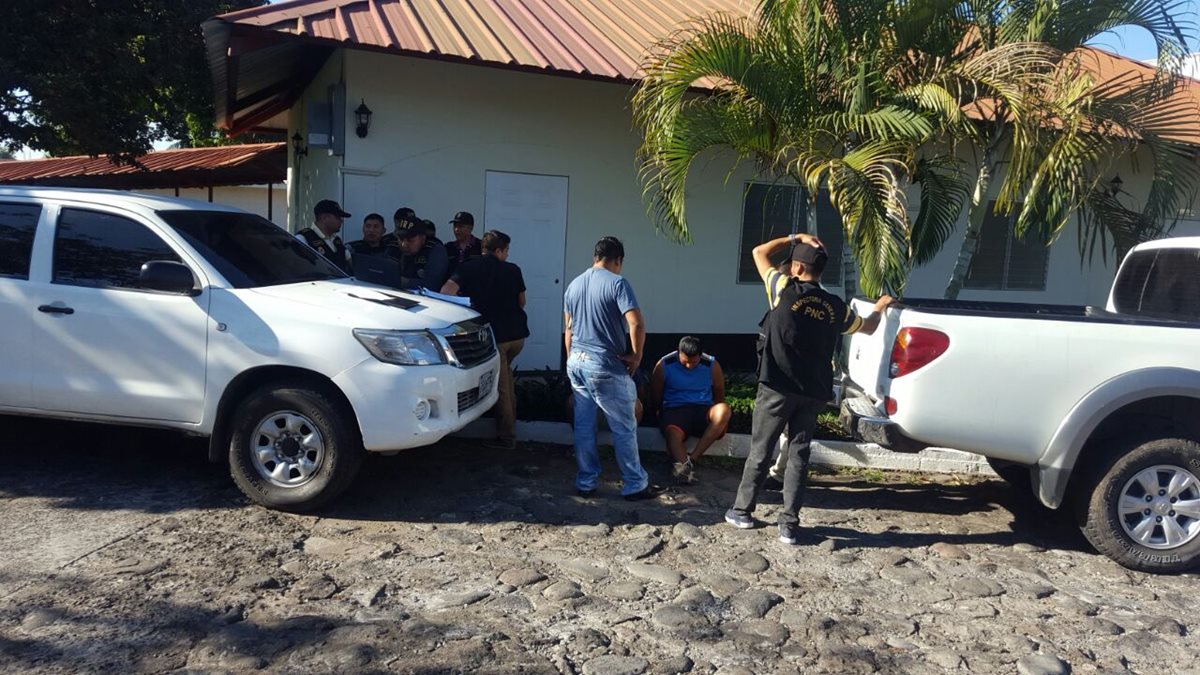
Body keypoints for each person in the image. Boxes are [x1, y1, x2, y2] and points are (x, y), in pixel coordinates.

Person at [725, 234, 894, 545]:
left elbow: (758, 249)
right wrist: (881, 305)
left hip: (777, 385)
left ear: (798, 268)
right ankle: (789, 524)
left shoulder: (782, 289)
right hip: (813, 390)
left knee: (762, 450)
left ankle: (742, 511)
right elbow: (867, 327)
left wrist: (795, 237)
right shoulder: (835, 307)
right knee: (799, 456)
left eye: (793, 265)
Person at [563, 236, 660, 500]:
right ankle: (635, 483)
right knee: (623, 427)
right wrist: (637, 356)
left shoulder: (573, 285)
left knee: (584, 426)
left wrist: (573, 359)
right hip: (605, 364)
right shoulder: (618, 283)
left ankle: (586, 481)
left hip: (577, 362)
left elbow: (568, 331)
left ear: (595, 257)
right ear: (618, 260)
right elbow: (636, 324)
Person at [441, 230, 529, 450]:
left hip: (492, 336)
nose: (507, 255)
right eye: (506, 250)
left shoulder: (468, 267)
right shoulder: (514, 270)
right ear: (498, 250)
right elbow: (522, 302)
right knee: (506, 378)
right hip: (517, 335)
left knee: (502, 388)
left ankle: (507, 437)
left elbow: (446, 292)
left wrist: (468, 309)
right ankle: (509, 429)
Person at [651, 336, 732, 485]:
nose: (689, 366)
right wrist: (659, 410)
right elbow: (656, 392)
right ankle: (684, 468)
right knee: (672, 432)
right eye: (685, 362)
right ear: (678, 353)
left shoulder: (712, 365)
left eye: (694, 362)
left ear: (700, 356)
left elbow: (719, 393)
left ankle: (693, 458)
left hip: (703, 409)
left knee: (724, 410)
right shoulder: (664, 364)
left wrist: (716, 413)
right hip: (675, 409)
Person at [296, 199, 352, 273]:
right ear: (324, 218)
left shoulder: (336, 241)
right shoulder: (303, 239)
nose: (341, 220)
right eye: (338, 217)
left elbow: (352, 265)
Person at [396, 220, 449, 291]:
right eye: (401, 239)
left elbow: (431, 285)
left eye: (410, 240)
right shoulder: (395, 248)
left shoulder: (435, 251)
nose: (404, 244)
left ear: (423, 238)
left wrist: (401, 281)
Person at [445, 211, 483, 277]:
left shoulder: (481, 246)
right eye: (455, 226)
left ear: (470, 228)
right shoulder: (448, 247)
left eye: (460, 226)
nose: (456, 229)